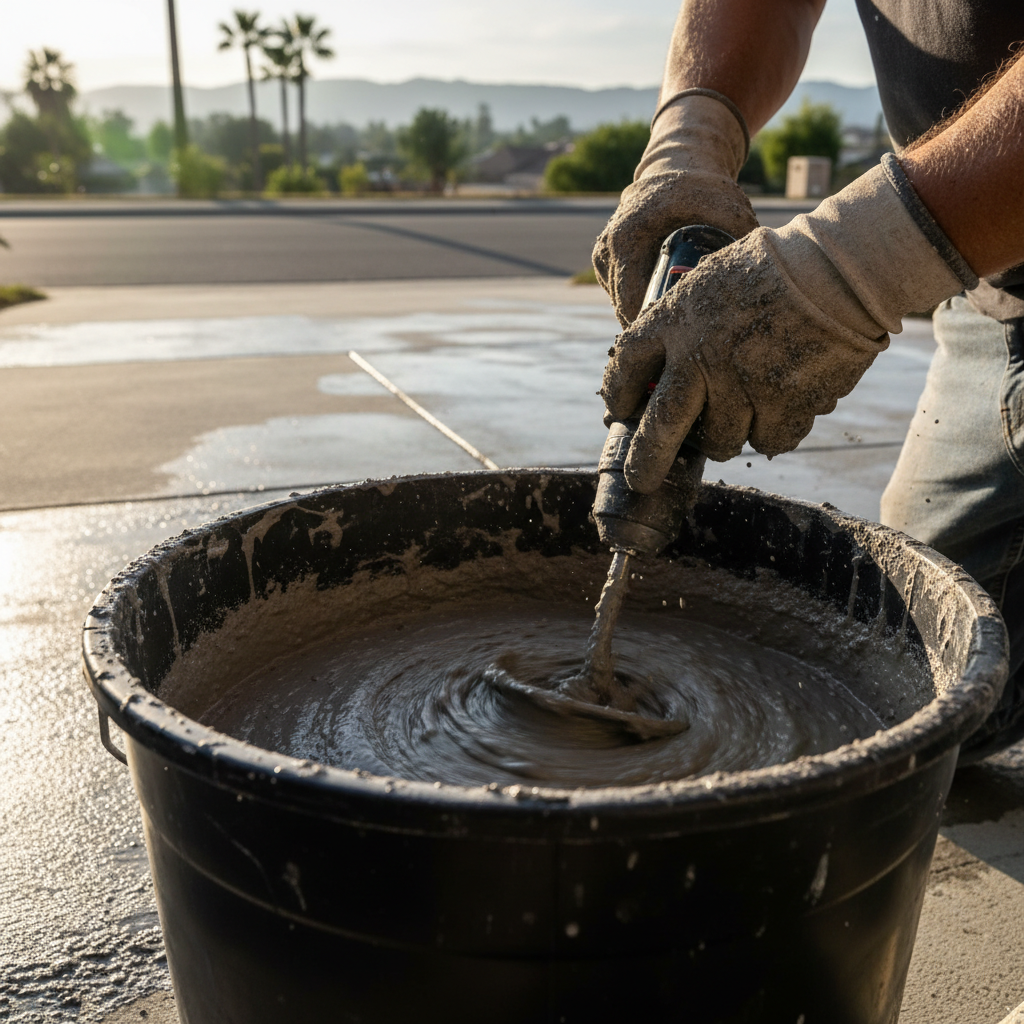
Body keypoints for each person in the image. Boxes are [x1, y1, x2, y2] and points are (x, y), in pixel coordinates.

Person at [593, 0, 1024, 760]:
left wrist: (852, 268)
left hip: (955, 228)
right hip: (991, 268)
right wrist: (691, 136)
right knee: (931, 686)